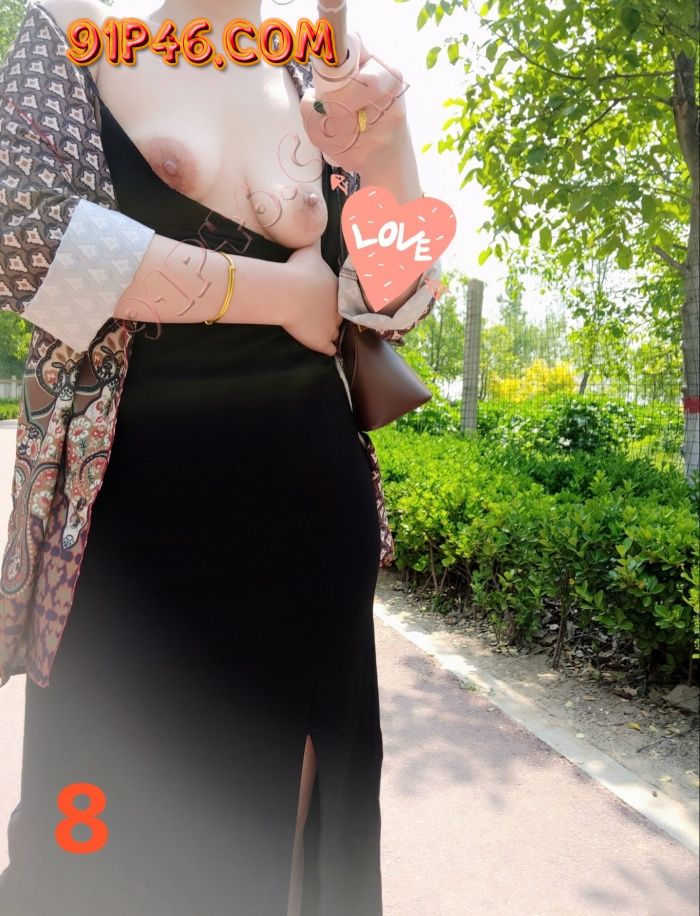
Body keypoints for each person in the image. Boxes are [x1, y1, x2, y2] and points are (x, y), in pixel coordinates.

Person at [0, 1, 441, 913]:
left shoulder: (309, 74)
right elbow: (24, 244)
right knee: (101, 827)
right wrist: (282, 294)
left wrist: (388, 142)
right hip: (126, 523)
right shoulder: (74, 26)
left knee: (287, 840)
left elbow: (391, 304)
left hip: (311, 517)